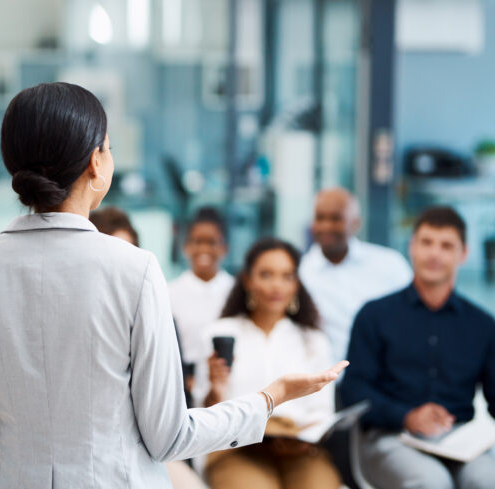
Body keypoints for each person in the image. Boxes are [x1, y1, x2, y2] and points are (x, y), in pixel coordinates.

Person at [0, 82, 346, 488]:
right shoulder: (136, 270)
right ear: (94, 163)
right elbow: (170, 436)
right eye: (107, 146)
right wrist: (272, 396)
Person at [341, 206, 495, 489]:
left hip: (458, 439)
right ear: (411, 247)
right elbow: (353, 391)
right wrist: (406, 416)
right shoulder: (374, 315)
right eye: (426, 242)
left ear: (464, 254)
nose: (434, 254)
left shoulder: (483, 325)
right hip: (389, 436)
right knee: (431, 482)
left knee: (488, 479)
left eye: (446, 245)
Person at [194, 238, 340, 489]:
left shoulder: (313, 340)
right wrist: (215, 390)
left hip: (299, 448)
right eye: (266, 275)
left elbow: (322, 410)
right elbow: (201, 414)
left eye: (286, 276)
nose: (276, 286)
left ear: (296, 284)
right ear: (248, 280)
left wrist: (305, 437)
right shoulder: (219, 333)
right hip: (235, 447)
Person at [91, 206, 206, 489]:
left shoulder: (160, 317)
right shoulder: (78, 320)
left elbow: (174, 408)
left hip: (154, 448)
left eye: (130, 254)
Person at [299, 187, 412, 363]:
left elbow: (412, 317)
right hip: (326, 383)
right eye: (320, 218)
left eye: (336, 218)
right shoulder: (300, 273)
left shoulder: (390, 265)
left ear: (356, 223)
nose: (326, 226)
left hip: (385, 379)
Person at [169, 207, 234, 365]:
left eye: (212, 242)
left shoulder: (236, 290)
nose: (204, 249)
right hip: (184, 381)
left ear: (225, 248)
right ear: (186, 247)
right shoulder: (169, 292)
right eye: (197, 242)